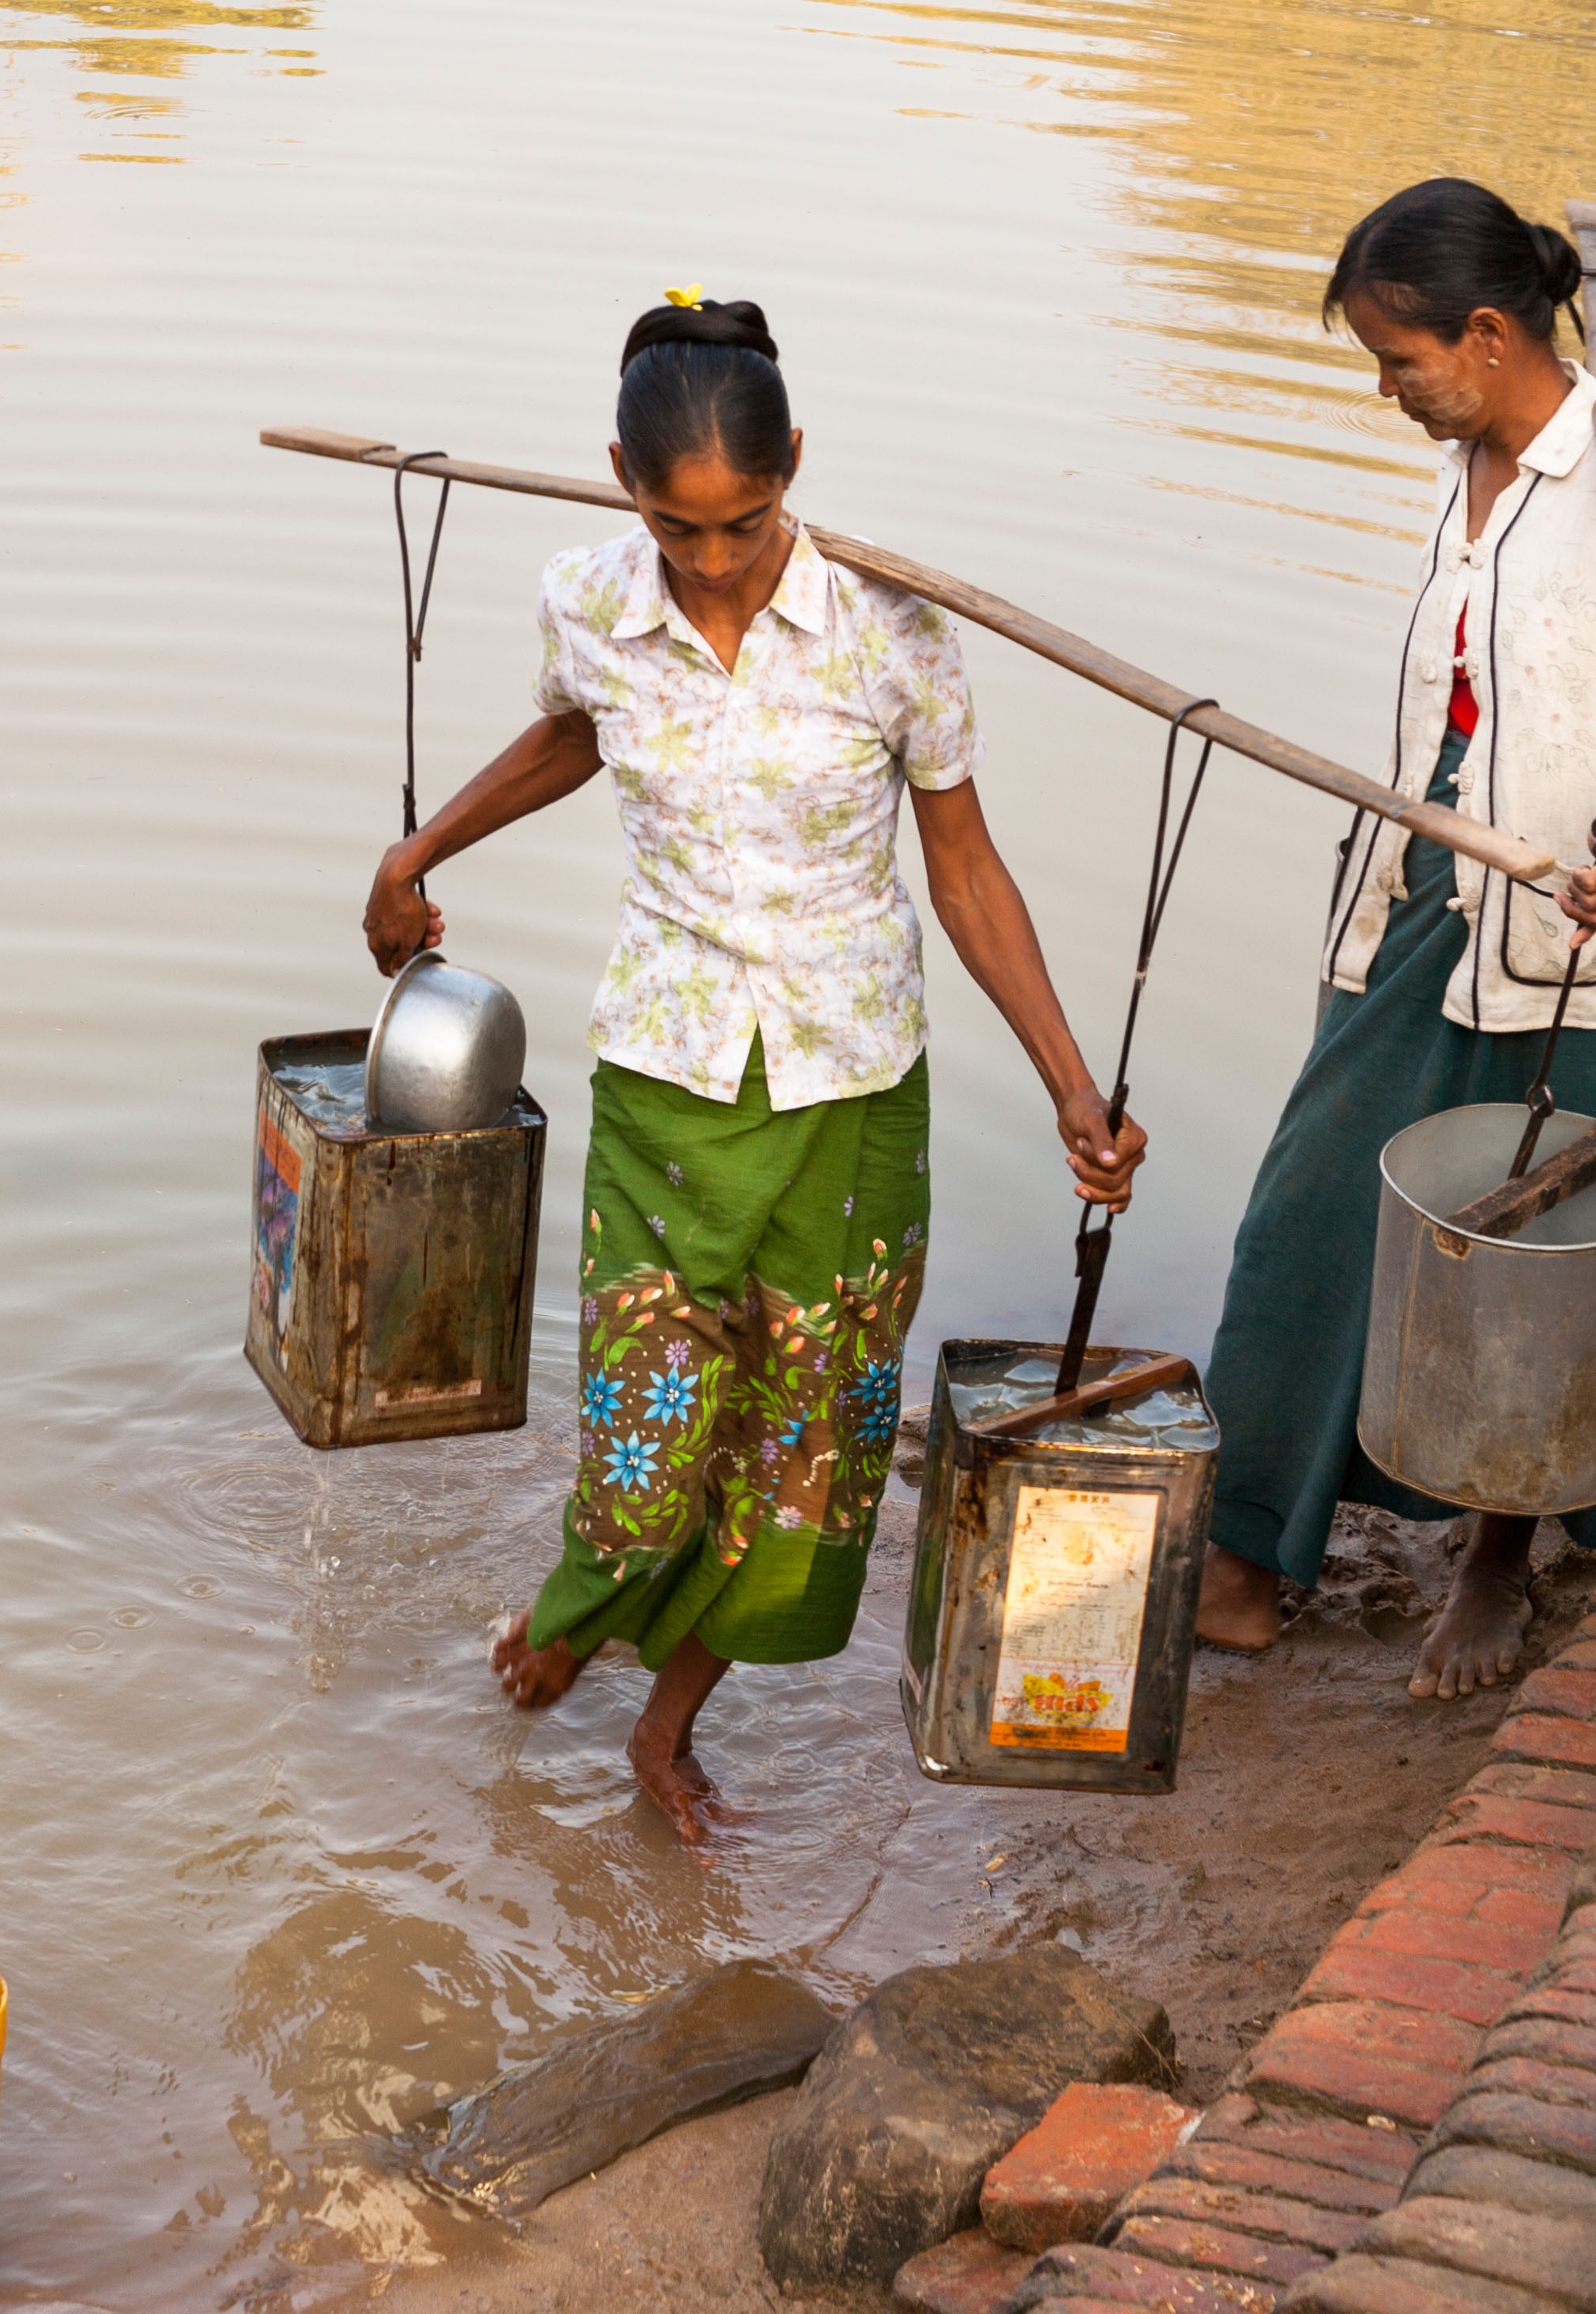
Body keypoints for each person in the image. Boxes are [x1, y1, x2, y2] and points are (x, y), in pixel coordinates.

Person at [362, 288, 1149, 1840]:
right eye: (678, 526)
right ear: (621, 481)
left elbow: (966, 869)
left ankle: (663, 1725)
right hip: (667, 1080)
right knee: (651, 1441)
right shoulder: (589, 596)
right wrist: (421, 846)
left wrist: (1069, 1078)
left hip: (852, 1099)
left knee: (808, 1455)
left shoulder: (893, 629)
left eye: (748, 520)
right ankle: (579, 1610)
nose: (713, 559)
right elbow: (578, 729)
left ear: (797, 460)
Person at [1193, 181, 1596, 1697]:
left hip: (1587, 938)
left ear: (1483, 333)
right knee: (1310, 1216)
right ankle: (1249, 1542)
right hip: (1429, 895)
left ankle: (1493, 1561)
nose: (1384, 391)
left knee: (1534, 1256)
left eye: (1397, 362)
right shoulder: (1468, 471)